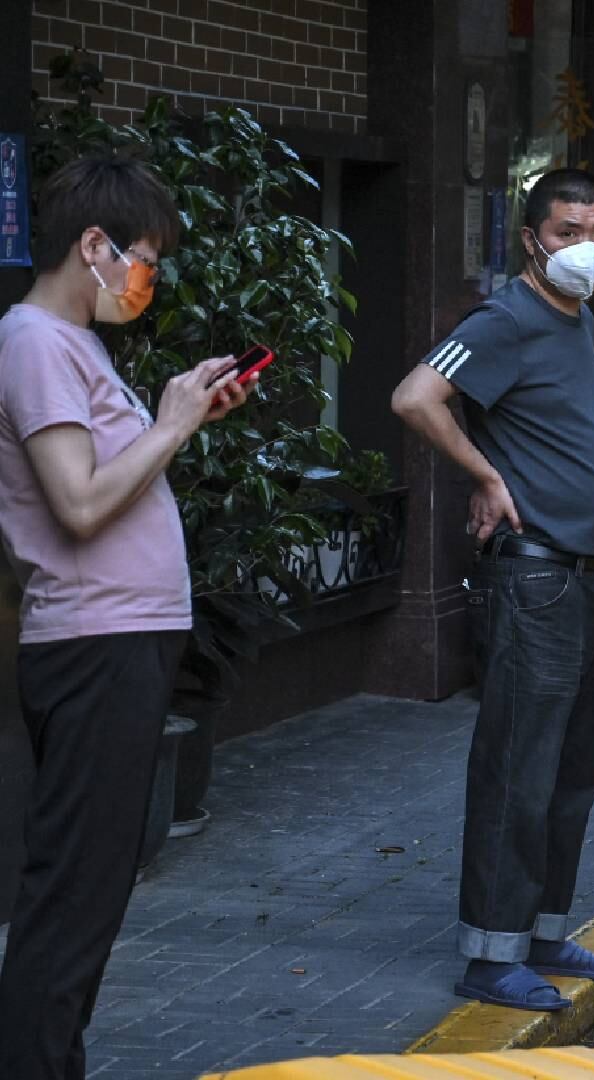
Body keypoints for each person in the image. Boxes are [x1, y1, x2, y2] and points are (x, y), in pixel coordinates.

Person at [0, 154, 252, 1080]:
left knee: (90, 893)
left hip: (120, 639)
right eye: (144, 258)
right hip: (93, 645)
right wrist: (175, 421)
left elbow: (115, 482)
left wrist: (188, 417)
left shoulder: (75, 345)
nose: (147, 279)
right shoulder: (32, 340)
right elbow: (78, 503)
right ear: (93, 246)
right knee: (73, 897)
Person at [390, 168, 594, 1011]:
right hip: (538, 577)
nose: (586, 248)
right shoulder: (507, 316)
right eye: (569, 232)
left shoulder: (578, 315)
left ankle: (540, 932)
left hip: (593, 581)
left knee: (571, 771)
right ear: (533, 238)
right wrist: (486, 476)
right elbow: (416, 397)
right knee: (518, 768)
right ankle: (490, 956)